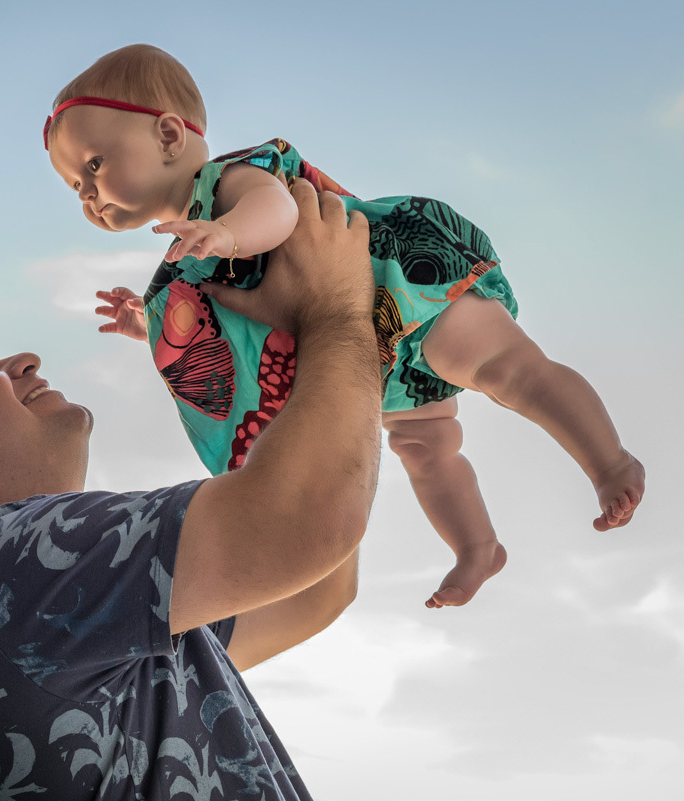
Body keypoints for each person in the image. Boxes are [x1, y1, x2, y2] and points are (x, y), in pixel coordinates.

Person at [44, 44, 644, 609]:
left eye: (94, 165)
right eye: (74, 186)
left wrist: (228, 232)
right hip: (366, 351)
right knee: (424, 449)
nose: (87, 194)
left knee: (509, 370)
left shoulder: (227, 182)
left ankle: (610, 462)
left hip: (401, 284)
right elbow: (224, 329)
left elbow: (276, 212)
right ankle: (477, 547)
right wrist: (146, 328)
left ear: (170, 135)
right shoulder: (185, 262)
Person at [0, 180, 381, 800]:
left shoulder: (49, 603)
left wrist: (280, 368)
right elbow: (306, 522)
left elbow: (312, 588)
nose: (22, 361)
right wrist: (338, 313)